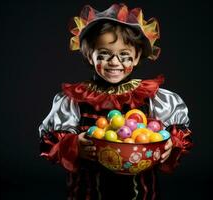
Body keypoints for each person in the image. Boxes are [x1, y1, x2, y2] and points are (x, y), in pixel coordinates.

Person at [38, 3, 193, 200]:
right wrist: (74, 144)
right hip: (87, 192)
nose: (114, 62)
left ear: (136, 57)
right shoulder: (74, 100)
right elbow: (49, 141)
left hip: (142, 193)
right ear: (89, 55)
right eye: (103, 54)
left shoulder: (153, 98)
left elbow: (180, 134)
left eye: (124, 56)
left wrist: (171, 143)